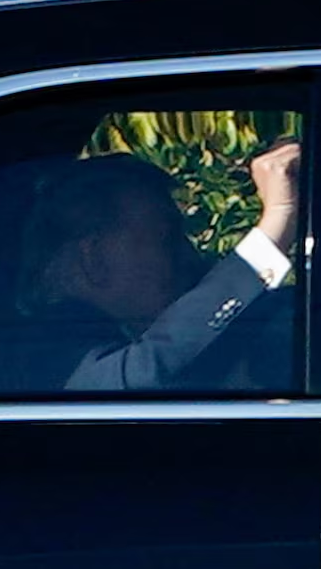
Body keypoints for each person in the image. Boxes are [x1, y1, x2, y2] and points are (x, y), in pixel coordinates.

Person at [16, 141, 301, 391]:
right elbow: (149, 370)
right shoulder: (37, 354)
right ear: (94, 258)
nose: (188, 255)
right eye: (166, 239)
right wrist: (278, 218)